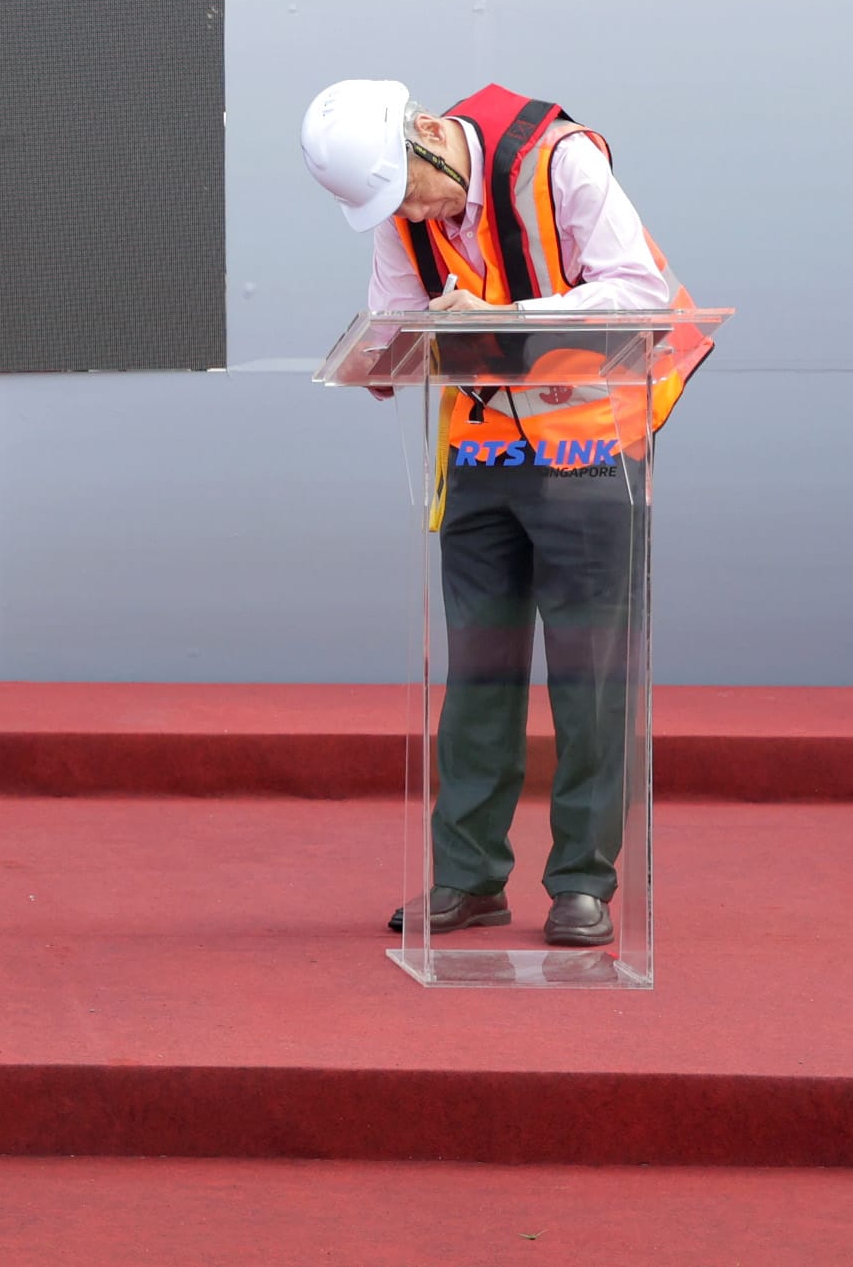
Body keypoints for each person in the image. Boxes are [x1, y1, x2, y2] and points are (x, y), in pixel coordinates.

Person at [301, 80, 708, 949]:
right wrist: (382, 359)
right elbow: (398, 319)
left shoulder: (561, 163)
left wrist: (505, 318)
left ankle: (583, 884)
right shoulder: (400, 205)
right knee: (477, 677)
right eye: (395, 205)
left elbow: (640, 295)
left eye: (414, 192)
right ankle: (469, 877)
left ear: (427, 133)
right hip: (482, 456)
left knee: (590, 678)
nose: (414, 215)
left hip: (589, 448)